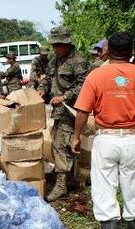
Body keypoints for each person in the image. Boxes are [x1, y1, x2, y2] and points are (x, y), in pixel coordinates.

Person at [71, 32, 135, 229]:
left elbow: (82, 111)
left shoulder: (97, 75)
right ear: (132, 51)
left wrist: (76, 136)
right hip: (132, 138)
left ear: (108, 50)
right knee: (134, 187)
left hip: (106, 137)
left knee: (104, 188)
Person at [39, 26, 88, 201]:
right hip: (58, 111)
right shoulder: (54, 60)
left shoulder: (78, 61)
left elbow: (84, 85)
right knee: (63, 144)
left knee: (61, 145)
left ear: (66, 44)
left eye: (58, 45)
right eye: (53, 45)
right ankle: (71, 178)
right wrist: (42, 90)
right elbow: (48, 79)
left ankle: (61, 184)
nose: (55, 48)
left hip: (72, 111)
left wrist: (65, 96)